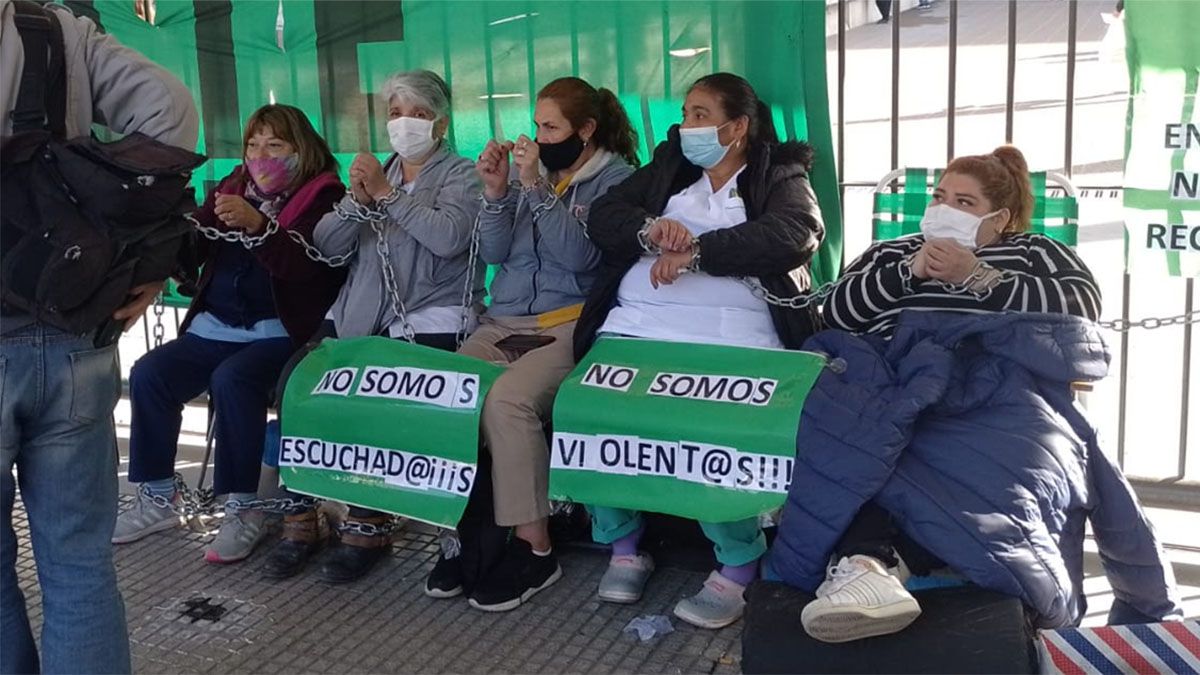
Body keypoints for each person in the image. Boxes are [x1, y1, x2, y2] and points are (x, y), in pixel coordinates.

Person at [795, 146, 1124, 643]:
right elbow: (837, 312)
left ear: (1000, 219)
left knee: (965, 453)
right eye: (939, 197)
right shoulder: (894, 253)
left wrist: (979, 277)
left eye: (965, 202)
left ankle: (873, 564)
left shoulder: (1034, 251)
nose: (945, 208)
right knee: (867, 439)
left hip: (991, 384)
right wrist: (907, 274)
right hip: (893, 379)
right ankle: (873, 567)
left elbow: (1080, 307)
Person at [577, 72, 825, 629]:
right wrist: (651, 231)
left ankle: (737, 565)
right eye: (686, 113)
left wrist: (697, 253)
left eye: (699, 115)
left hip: (730, 339)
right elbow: (605, 214)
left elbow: (797, 232)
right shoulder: (671, 168)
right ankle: (623, 544)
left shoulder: (777, 172)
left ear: (736, 127)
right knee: (592, 408)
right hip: (638, 327)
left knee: (708, 426)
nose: (686, 126)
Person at [0, 1, 198, 672]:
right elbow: (171, 111)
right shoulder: (53, 30)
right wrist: (142, 262)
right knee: (79, 564)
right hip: (72, 329)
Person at [261, 69, 483, 584]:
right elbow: (326, 244)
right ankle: (300, 516)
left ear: (441, 123)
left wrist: (389, 196)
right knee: (293, 387)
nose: (405, 123)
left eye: (418, 114)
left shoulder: (461, 174)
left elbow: (450, 238)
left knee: (368, 399)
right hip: (358, 313)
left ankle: (368, 523)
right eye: (396, 113)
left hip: (429, 314)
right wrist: (358, 201)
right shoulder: (379, 171)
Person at [112, 104, 346, 565]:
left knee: (233, 379)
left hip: (282, 333)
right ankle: (157, 496)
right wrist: (175, 231)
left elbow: (304, 269)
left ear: (301, 150)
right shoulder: (232, 186)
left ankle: (245, 506)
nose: (260, 156)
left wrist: (259, 225)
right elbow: (194, 248)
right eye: (253, 145)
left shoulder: (323, 196)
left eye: (275, 145)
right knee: (150, 374)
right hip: (215, 327)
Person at [439, 76, 640, 612]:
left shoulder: (617, 180)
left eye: (551, 128)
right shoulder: (533, 174)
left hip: (570, 322)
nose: (540, 138)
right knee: (449, 390)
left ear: (586, 129)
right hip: (504, 318)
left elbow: (584, 260)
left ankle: (535, 547)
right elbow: (496, 252)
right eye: (537, 125)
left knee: (508, 401)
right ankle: (466, 535)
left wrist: (534, 189)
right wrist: (496, 191)